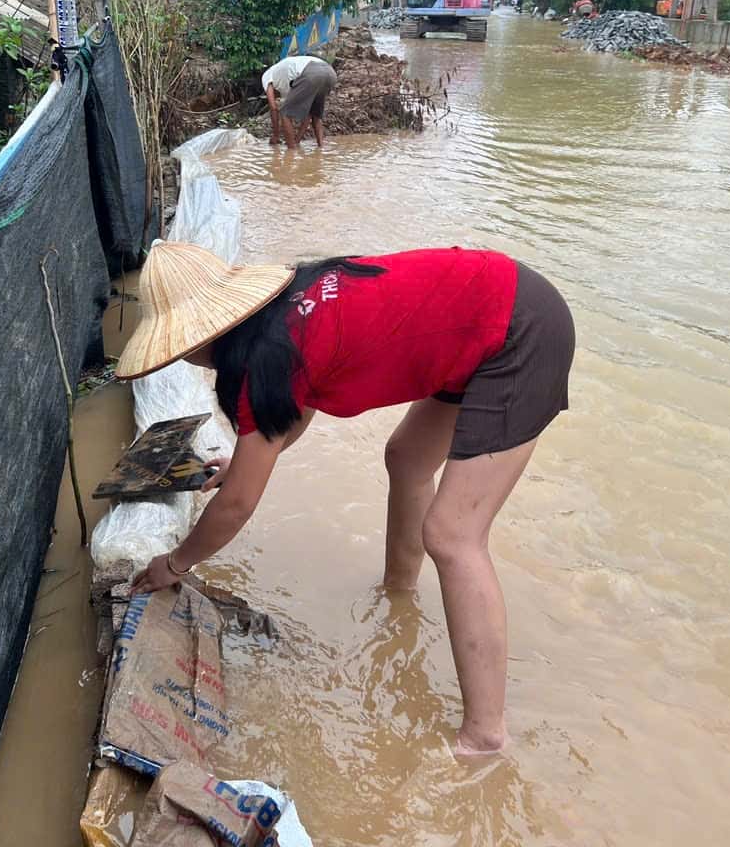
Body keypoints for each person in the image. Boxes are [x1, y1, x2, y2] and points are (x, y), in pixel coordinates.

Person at [117, 243, 576, 756]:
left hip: (520, 334)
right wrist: (243, 464)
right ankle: (399, 594)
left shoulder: (267, 361)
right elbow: (300, 400)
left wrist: (175, 564)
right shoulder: (285, 309)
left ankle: (484, 736)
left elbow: (236, 507)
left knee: (453, 534)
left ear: (200, 338)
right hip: (494, 309)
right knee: (407, 458)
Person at [261, 54, 337, 150]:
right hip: (330, 72)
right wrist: (297, 140)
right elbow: (308, 115)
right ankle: (321, 148)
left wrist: (275, 136)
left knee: (284, 113)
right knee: (315, 114)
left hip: (311, 72)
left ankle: (291, 153)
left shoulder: (266, 76)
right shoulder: (284, 75)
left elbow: (273, 107)